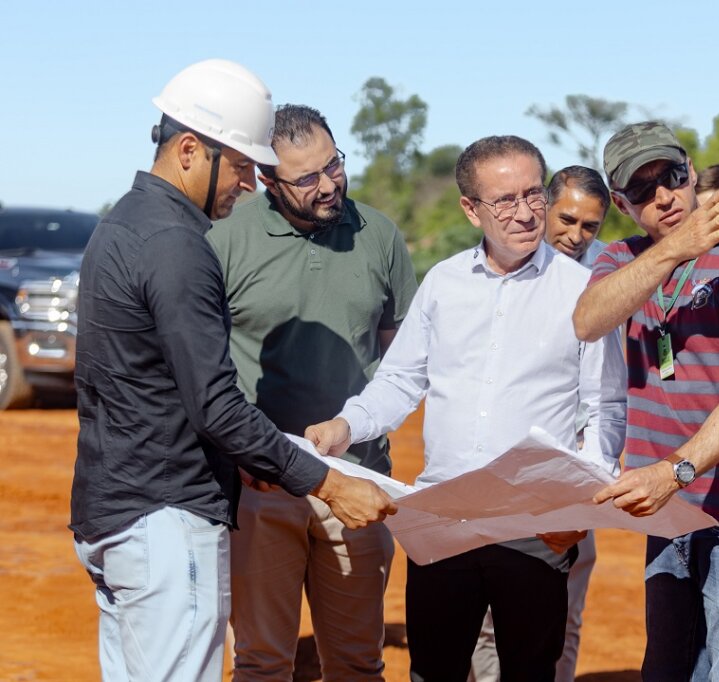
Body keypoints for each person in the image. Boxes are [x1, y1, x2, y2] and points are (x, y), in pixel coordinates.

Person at [69, 60, 395, 682]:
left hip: (113, 507)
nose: (248, 184)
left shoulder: (120, 223)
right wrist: (326, 483)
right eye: (242, 165)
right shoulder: (176, 243)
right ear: (191, 150)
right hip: (164, 519)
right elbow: (215, 404)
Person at [306, 135, 628, 682]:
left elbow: (605, 409)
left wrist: (579, 508)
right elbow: (402, 380)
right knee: (434, 671)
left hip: (534, 527)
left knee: (529, 671)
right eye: (505, 199)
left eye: (533, 194)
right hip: (442, 523)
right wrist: (345, 425)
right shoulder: (443, 283)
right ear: (470, 208)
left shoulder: (585, 290)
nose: (526, 212)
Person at [575, 121, 719, 681]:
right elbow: (587, 320)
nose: (664, 196)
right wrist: (675, 248)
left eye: (672, 177)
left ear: (692, 173)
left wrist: (671, 473)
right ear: (624, 206)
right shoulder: (623, 260)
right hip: (669, 514)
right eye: (643, 190)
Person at [207, 104, 417, 681]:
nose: (329, 185)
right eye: (306, 178)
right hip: (259, 484)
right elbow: (204, 364)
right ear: (268, 180)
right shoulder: (225, 238)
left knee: (356, 664)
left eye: (334, 166)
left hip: (358, 482)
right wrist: (241, 456)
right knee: (262, 663)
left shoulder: (379, 235)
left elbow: (401, 357)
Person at [470, 164, 613, 682]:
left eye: (590, 226)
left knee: (564, 614)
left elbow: (607, 398)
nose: (575, 235)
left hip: (570, 478)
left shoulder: (602, 284)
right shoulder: (500, 273)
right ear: (543, 207)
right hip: (500, 472)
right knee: (487, 620)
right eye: (566, 218)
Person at [544, 164, 611, 267]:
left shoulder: (611, 269)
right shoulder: (514, 256)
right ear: (544, 208)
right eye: (567, 220)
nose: (576, 238)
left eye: (589, 226)